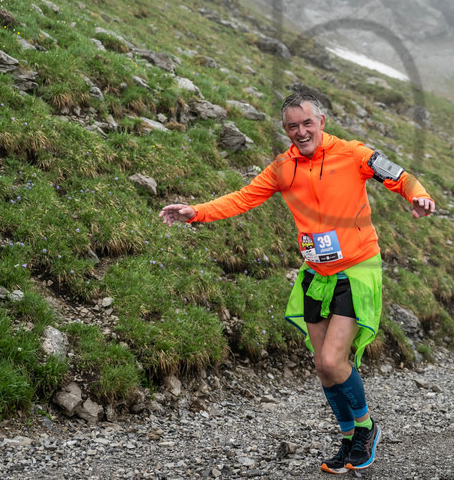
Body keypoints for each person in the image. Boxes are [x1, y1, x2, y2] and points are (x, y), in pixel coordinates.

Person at [161, 92, 435, 473]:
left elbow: (400, 177)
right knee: (323, 368)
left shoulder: (353, 153)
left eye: (307, 123)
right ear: (285, 129)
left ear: (321, 121)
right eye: (293, 126)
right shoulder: (282, 167)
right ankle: (347, 438)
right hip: (315, 273)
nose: (301, 132)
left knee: (332, 359)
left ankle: (366, 429)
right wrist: (196, 212)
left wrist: (418, 196)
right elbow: (243, 198)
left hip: (356, 269)